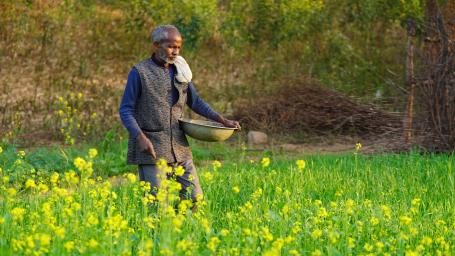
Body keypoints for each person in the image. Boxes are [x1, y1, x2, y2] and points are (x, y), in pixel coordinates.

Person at [119, 25, 240, 208]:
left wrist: (222, 121)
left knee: (194, 199)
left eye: (178, 48)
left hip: (179, 146)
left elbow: (196, 102)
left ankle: (183, 233)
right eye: (170, 46)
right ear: (155, 45)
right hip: (152, 148)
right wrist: (140, 138)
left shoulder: (180, 71)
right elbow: (125, 110)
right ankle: (160, 234)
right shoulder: (139, 73)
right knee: (157, 206)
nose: (175, 52)